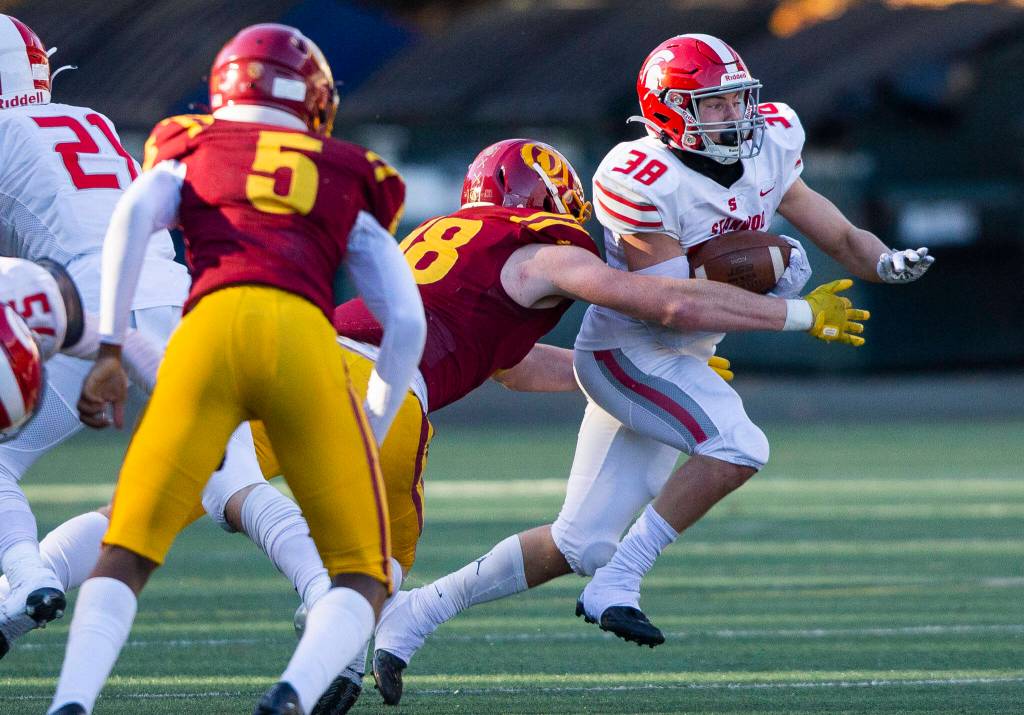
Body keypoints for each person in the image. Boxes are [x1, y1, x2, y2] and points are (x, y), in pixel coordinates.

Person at [370, 32, 931, 702]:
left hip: (683, 353)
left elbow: (837, 233)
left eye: (737, 100)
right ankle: (621, 582)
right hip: (630, 352)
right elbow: (670, 306)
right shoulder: (639, 176)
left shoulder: (774, 138)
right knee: (739, 444)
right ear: (668, 111)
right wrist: (796, 310)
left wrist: (883, 263)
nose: (736, 117)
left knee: (579, 543)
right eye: (714, 106)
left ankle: (415, 612)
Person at [229, 137, 868, 713]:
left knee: (217, 477)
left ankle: (341, 601)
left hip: (304, 356)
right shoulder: (545, 249)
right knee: (374, 577)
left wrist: (651, 375)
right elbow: (662, 301)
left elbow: (510, 365)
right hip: (387, 394)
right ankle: (325, 609)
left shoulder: (438, 238)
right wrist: (792, 315)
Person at [46, 23, 426, 715]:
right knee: (363, 575)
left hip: (208, 331)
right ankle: (292, 692)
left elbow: (130, 222)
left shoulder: (186, 143)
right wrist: (369, 417)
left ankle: (70, 701)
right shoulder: (349, 169)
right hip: (304, 341)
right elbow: (405, 320)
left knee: (127, 547)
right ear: (313, 99)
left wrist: (108, 346)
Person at [0, 14, 190, 658]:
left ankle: (26, 578)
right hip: (176, 304)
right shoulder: (94, 121)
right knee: (224, 485)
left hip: (91, 319)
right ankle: (328, 594)